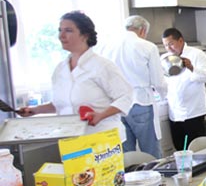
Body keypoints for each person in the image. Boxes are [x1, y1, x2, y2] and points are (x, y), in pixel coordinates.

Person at [18, 11, 133, 141]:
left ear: (85, 35)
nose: (61, 36)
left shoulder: (102, 66)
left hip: (102, 138)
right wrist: (35, 110)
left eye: (68, 31)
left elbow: (126, 96)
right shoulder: (60, 69)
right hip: (70, 138)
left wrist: (101, 115)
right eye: (60, 30)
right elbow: (62, 104)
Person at [95, 16, 168, 158]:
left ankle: (129, 179)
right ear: (142, 30)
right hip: (140, 102)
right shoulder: (147, 46)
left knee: (126, 154)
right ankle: (157, 179)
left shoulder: (105, 46)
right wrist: (164, 95)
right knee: (150, 152)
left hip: (116, 105)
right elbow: (158, 81)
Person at [161, 28, 206, 151]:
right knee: (180, 149)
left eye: (171, 44)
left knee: (198, 149)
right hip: (174, 113)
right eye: (166, 45)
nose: (169, 48)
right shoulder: (165, 59)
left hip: (193, 112)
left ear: (180, 40)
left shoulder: (197, 54)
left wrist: (191, 67)